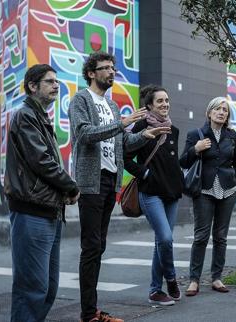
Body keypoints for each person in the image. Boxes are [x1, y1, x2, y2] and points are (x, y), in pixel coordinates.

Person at [68, 51, 171, 322]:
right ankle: (89, 314)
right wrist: (121, 124)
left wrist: (142, 135)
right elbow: (83, 134)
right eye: (105, 68)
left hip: (109, 181)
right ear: (91, 73)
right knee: (91, 246)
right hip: (90, 181)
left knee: (99, 245)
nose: (112, 72)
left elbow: (121, 143)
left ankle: (92, 310)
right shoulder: (81, 99)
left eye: (113, 68)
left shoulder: (111, 106)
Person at [5, 64, 80, 322]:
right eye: (49, 81)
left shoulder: (40, 117)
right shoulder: (25, 115)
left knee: (48, 289)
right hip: (31, 211)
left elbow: (47, 163)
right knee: (32, 290)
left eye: (56, 81)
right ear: (32, 86)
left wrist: (62, 193)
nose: (56, 86)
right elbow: (42, 161)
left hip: (50, 210)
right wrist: (69, 186)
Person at [124, 85, 183, 306]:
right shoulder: (140, 126)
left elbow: (171, 161)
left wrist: (179, 180)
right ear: (149, 105)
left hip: (172, 192)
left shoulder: (173, 129)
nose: (165, 104)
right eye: (160, 101)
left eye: (167, 100)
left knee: (162, 241)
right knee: (166, 238)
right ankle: (171, 278)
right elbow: (126, 156)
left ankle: (155, 291)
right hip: (150, 193)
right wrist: (145, 173)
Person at [180, 97, 236, 296]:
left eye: (225, 110)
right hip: (204, 191)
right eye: (217, 109)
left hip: (227, 190)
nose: (221, 112)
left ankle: (217, 278)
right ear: (209, 112)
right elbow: (183, 161)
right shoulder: (196, 134)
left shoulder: (231, 135)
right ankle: (194, 280)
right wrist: (196, 149)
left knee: (221, 237)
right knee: (201, 236)